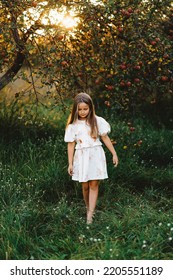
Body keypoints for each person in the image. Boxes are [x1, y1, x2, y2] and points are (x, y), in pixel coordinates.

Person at [64, 92, 118, 224]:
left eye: (85, 109)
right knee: (85, 185)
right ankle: (88, 206)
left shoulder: (97, 121)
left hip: (95, 155)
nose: (83, 112)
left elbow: (105, 137)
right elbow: (71, 145)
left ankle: (90, 215)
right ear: (76, 109)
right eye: (80, 109)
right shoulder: (73, 126)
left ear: (91, 108)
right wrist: (70, 163)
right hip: (81, 157)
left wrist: (114, 153)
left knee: (94, 184)